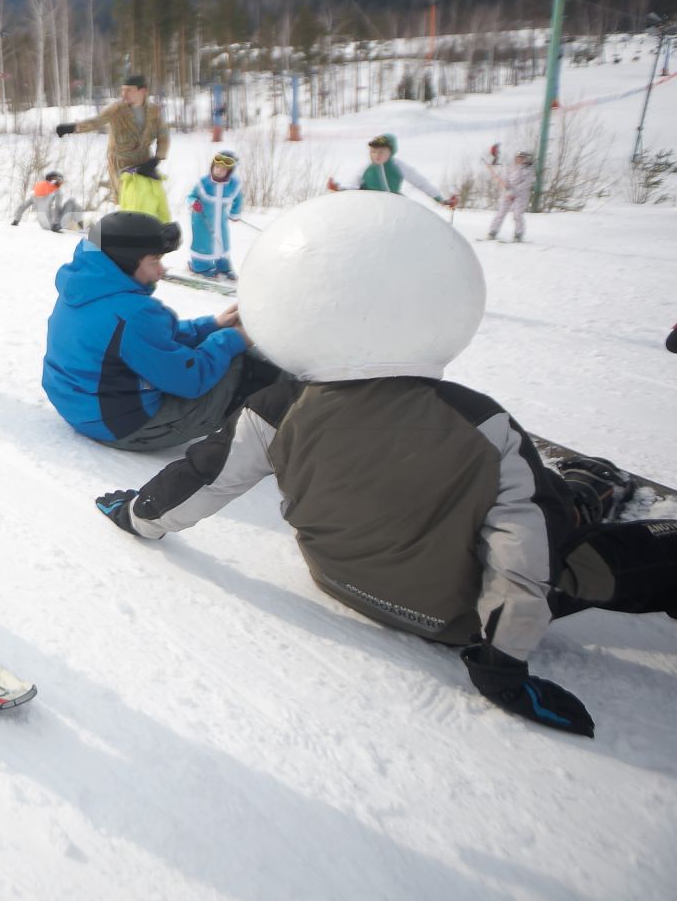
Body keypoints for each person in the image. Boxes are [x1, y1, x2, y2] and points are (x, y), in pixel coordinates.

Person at [94, 192, 677, 739]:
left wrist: (137, 514)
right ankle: (587, 494)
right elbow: (521, 555)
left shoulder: (278, 406)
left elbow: (204, 476)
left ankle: (581, 491)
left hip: (337, 576)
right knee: (573, 528)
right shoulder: (480, 422)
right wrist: (503, 664)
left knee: (529, 497)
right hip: (456, 618)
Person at [42, 211, 279, 451]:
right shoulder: (134, 313)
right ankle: (283, 436)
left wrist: (212, 326)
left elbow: (149, 341)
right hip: (122, 426)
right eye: (154, 260)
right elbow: (190, 379)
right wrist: (234, 338)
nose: (161, 270)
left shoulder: (86, 287)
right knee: (242, 365)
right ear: (126, 260)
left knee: (215, 350)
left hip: (79, 406)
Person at [55, 74, 170, 222]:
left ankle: (148, 231)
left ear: (143, 91)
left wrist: (157, 159)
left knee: (146, 200)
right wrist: (72, 128)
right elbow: (96, 122)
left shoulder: (154, 111)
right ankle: (127, 233)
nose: (124, 94)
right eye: (123, 90)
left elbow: (163, 135)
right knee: (128, 201)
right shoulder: (117, 109)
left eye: (129, 90)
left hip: (144, 162)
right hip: (120, 163)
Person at [328, 133, 458, 207]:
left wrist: (440, 199)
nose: (376, 155)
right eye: (373, 152)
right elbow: (352, 185)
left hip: (393, 205)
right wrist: (338, 188)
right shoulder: (365, 167)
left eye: (381, 152)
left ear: (391, 152)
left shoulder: (398, 166)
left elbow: (420, 182)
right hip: (368, 205)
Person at [186, 151, 245, 279]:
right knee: (203, 243)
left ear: (229, 171)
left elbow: (238, 199)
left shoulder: (232, 185)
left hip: (220, 221)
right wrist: (194, 203)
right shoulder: (203, 183)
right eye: (217, 167)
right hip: (202, 220)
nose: (218, 170)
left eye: (223, 169)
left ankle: (223, 266)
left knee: (222, 242)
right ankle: (201, 267)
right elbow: (190, 196)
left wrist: (235, 213)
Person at [485, 150, 535, 242]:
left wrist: (514, 192)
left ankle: (518, 234)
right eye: (518, 157)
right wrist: (506, 188)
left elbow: (527, 183)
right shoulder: (511, 168)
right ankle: (493, 231)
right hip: (507, 193)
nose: (520, 159)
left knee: (517, 214)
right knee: (501, 212)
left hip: (521, 195)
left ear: (526, 159)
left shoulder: (529, 170)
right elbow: (505, 178)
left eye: (522, 158)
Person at [11, 170, 80, 231]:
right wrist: (55, 224)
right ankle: (81, 223)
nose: (60, 184)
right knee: (71, 201)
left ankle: (71, 223)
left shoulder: (35, 192)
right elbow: (57, 208)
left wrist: (16, 220)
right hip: (55, 225)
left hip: (44, 225)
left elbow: (23, 206)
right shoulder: (56, 191)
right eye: (60, 181)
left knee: (51, 209)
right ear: (55, 180)